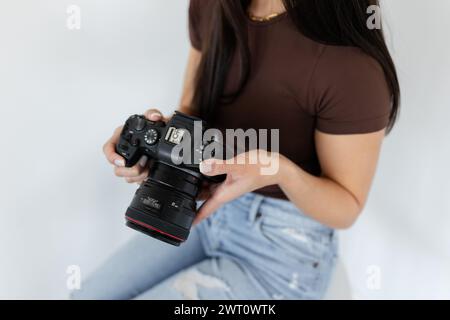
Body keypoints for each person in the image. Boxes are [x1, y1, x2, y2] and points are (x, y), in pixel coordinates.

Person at [73, 0, 400, 300]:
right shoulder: (214, 6)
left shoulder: (353, 68)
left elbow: (346, 206)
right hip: (198, 211)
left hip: (281, 250)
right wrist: (155, 143)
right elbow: (191, 114)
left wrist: (277, 170)